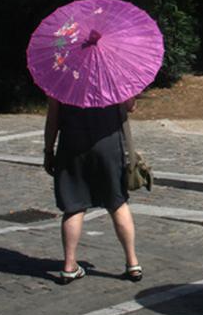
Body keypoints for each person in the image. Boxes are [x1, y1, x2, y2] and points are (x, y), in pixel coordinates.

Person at [42, 96, 142, 284]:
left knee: (73, 205)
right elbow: (130, 107)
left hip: (72, 145)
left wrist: (48, 150)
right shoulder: (113, 73)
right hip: (109, 144)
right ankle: (132, 263)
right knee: (117, 203)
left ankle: (69, 265)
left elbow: (53, 117)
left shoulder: (63, 76)